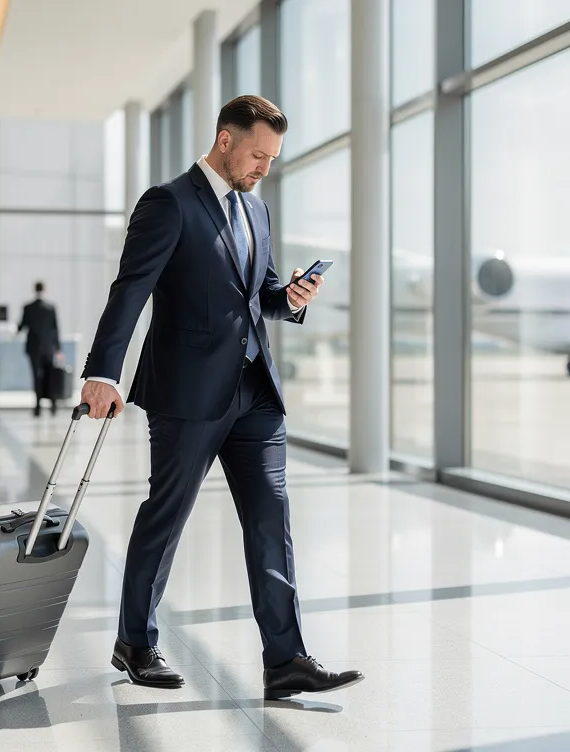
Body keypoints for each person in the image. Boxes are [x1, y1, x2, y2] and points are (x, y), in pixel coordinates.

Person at [79, 95, 361, 700]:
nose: (264, 167)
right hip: (187, 393)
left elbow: (260, 294)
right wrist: (103, 371)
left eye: (273, 159)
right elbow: (130, 290)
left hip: (255, 393)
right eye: (258, 154)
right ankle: (135, 641)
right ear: (226, 140)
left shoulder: (256, 211)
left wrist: (291, 298)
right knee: (168, 515)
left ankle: (286, 660)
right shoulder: (168, 203)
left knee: (271, 522)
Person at [18, 281, 62, 417]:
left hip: (34, 348)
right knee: (50, 376)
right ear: (44, 290)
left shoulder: (28, 307)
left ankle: (37, 407)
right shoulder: (50, 307)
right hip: (48, 348)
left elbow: (22, 326)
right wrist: (58, 348)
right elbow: (55, 329)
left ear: (34, 289)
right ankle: (53, 405)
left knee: (36, 376)